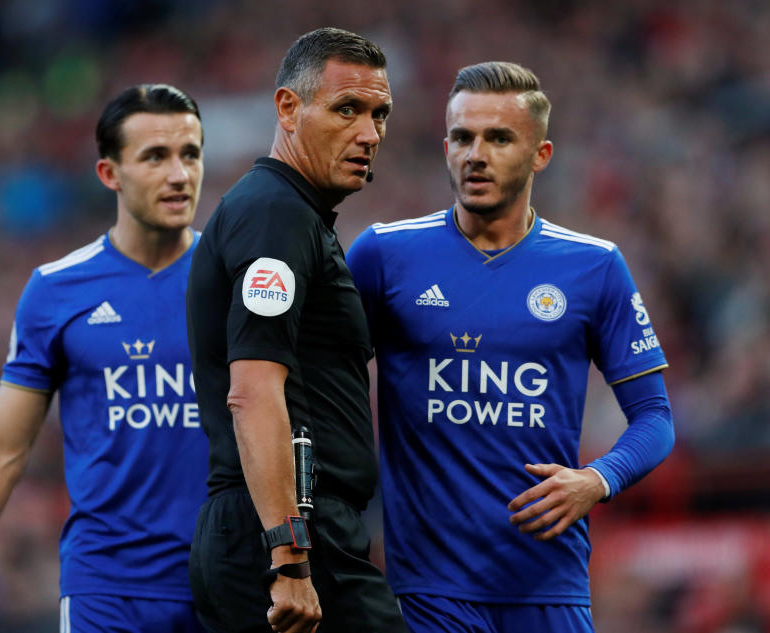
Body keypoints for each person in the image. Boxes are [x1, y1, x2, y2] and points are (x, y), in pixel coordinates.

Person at [347, 61, 675, 633]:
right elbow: (318, 383)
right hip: (429, 593)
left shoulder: (594, 266)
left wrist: (597, 480)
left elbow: (656, 418)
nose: (477, 154)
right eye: (465, 138)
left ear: (540, 154)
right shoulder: (383, 255)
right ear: (445, 147)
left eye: (499, 138)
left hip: (550, 586)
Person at [0, 84, 208, 633]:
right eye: (155, 156)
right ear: (109, 174)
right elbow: (5, 443)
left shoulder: (238, 282)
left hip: (228, 579)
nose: (179, 174)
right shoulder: (56, 291)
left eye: (189, 154)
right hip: (107, 589)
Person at [186, 27, 407, 633]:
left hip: (288, 529)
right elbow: (253, 390)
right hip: (287, 531)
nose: (370, 133)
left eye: (379, 114)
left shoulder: (291, 215)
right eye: (347, 109)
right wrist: (288, 557)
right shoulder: (276, 215)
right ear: (288, 108)